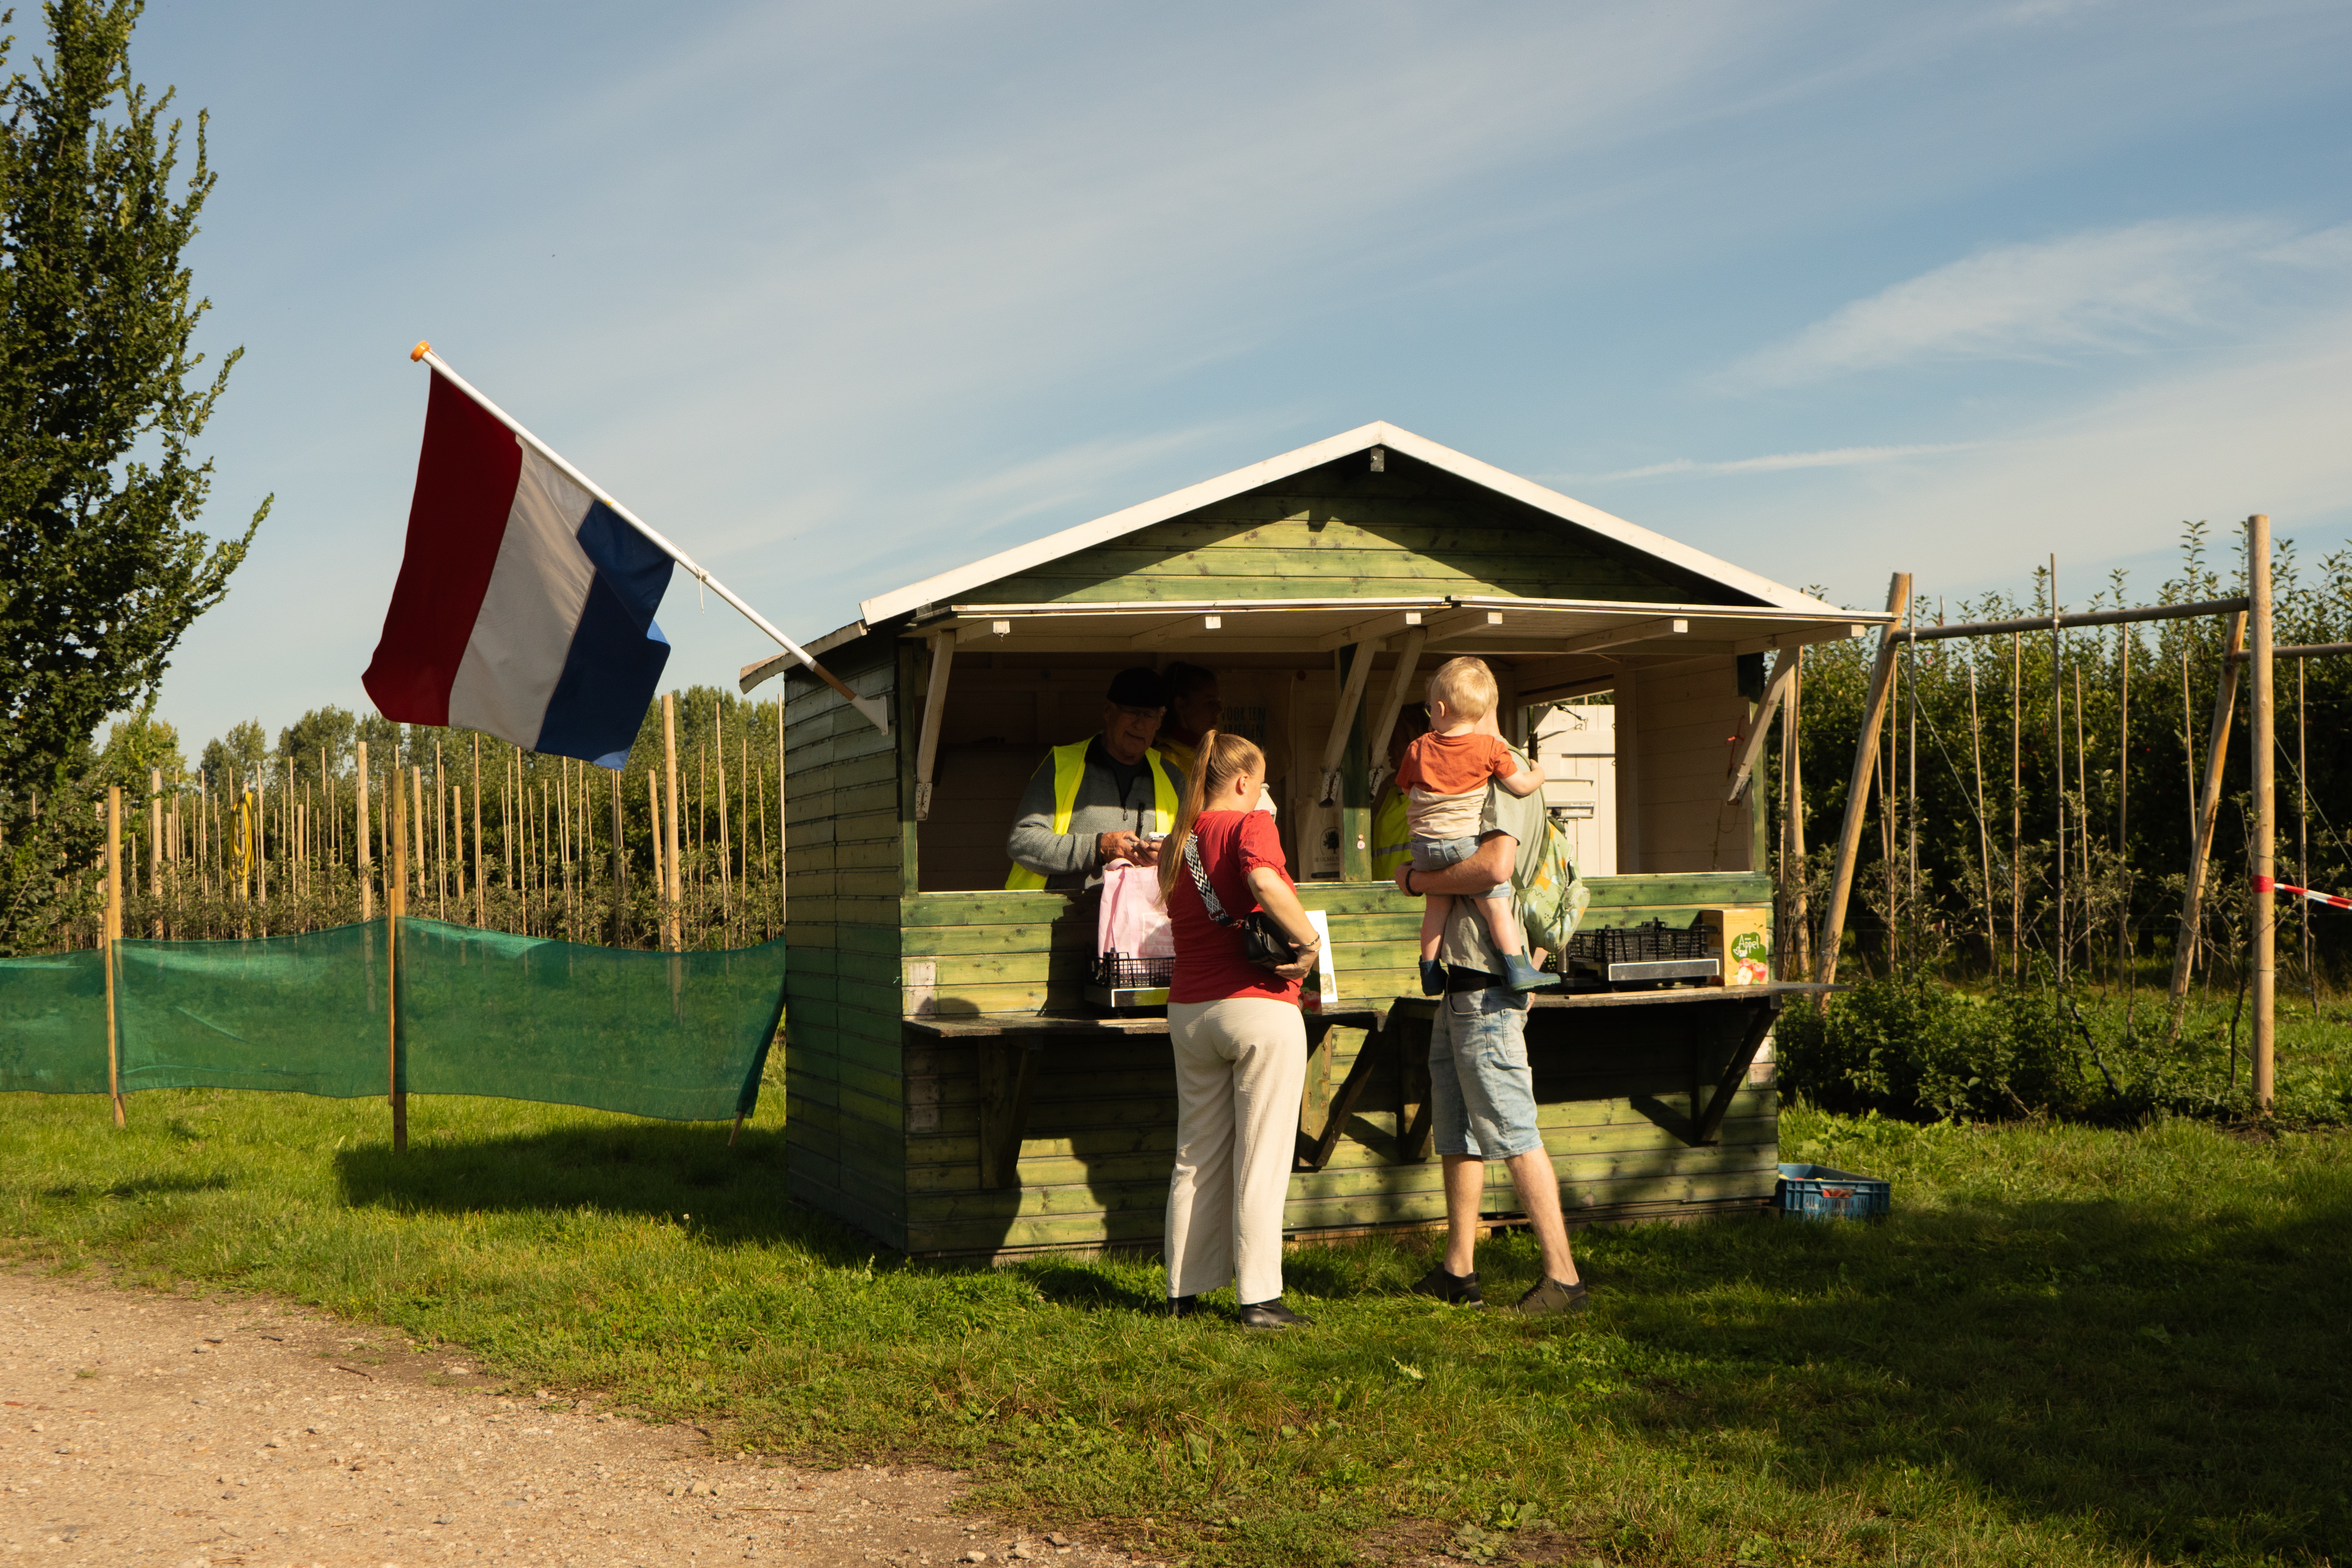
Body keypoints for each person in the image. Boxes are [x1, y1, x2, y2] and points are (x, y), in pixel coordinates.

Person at [1392, 730, 1587, 1317]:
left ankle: (1563, 1279)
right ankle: (1459, 1270)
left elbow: (1493, 866)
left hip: (1489, 988)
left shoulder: (1501, 774)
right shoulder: (1476, 769)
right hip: (1462, 983)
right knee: (1458, 1129)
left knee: (1512, 1127)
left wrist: (1417, 881)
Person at [1158, 729, 1323, 1329]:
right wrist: (1308, 943)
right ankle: (1259, 1298)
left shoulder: (1178, 841)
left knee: (1195, 1154)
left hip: (1189, 1012)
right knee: (1264, 1155)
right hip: (1257, 1007)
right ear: (1246, 781)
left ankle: (1183, 1291)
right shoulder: (1250, 824)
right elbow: (1263, 883)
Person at [1398, 658, 1554, 993]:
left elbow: (1407, 788)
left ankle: (1428, 970)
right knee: (1496, 905)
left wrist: (1415, 879)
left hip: (1424, 846)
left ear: (1440, 708)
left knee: (1435, 907)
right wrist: (1540, 774)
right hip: (1461, 844)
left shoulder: (1418, 747)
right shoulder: (1493, 753)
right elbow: (1522, 786)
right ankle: (1519, 968)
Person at [1004, 668, 1186, 889]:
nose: (1140, 724)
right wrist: (1098, 847)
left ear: (1160, 720)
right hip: (1060, 919)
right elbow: (1022, 842)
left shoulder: (1172, 776)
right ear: (1108, 710)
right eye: (1131, 712)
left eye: (1149, 715)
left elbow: (1196, 851)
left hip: (1141, 919)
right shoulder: (1062, 764)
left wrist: (1170, 854)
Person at [1369, 703, 1430, 882]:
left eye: (1395, 740)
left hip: (1418, 896)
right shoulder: (1386, 789)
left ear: (1415, 742)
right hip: (1379, 897)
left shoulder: (1434, 789)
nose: (1389, 748)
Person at [1153, 663, 1222, 777]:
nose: (1219, 709)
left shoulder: (1208, 753)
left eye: (1219, 702)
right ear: (1181, 705)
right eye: (1209, 703)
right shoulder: (1167, 761)